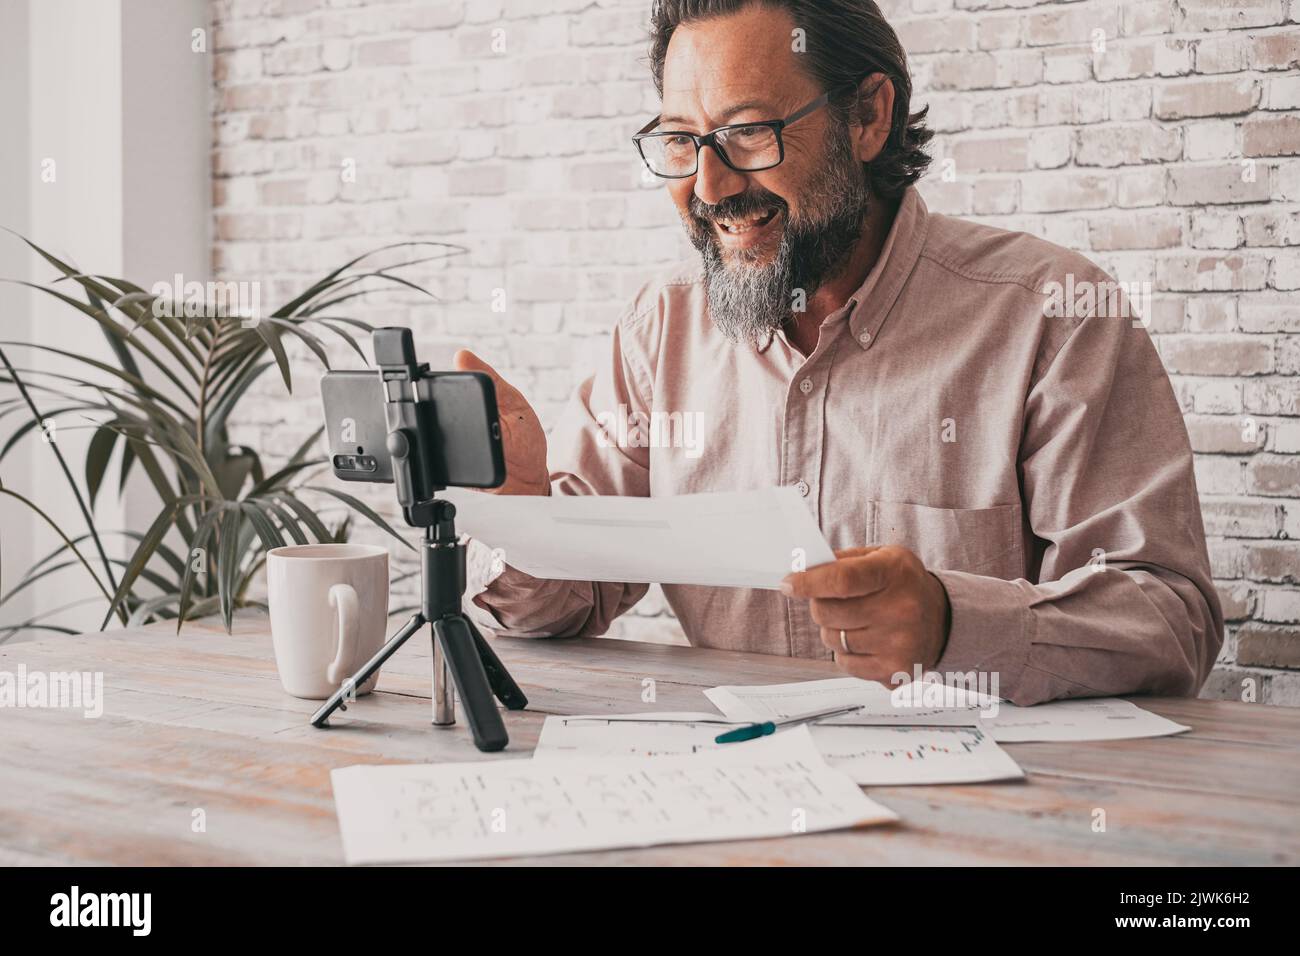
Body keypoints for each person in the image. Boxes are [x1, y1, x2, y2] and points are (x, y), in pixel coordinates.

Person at [453, 0, 1222, 706]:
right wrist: (521, 521)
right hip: (735, 791)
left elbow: (1170, 618)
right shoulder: (662, 331)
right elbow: (561, 607)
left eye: (749, 133)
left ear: (867, 116)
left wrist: (954, 625)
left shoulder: (1051, 315)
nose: (710, 185)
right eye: (683, 141)